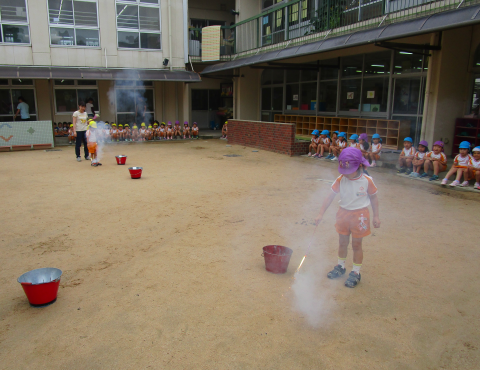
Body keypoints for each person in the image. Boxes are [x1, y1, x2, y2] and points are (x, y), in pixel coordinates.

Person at [314, 147, 380, 288]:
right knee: (342, 243)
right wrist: (320, 213)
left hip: (360, 215)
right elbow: (330, 196)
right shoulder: (340, 179)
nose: (347, 174)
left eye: (349, 171)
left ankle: (356, 272)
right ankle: (340, 266)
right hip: (343, 214)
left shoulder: (367, 180)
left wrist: (376, 216)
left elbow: (374, 199)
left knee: (356, 245)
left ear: (359, 166)